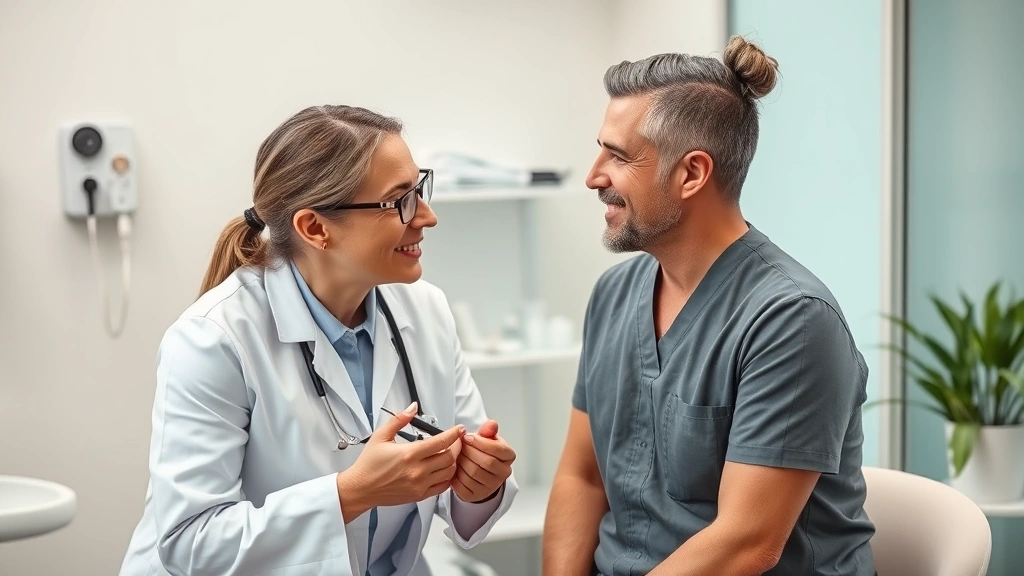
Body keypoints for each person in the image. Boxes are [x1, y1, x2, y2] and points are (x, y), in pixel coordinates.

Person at [118, 105, 518, 576]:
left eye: (419, 189)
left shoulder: (426, 311)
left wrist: (479, 484)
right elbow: (191, 543)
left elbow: (460, 485)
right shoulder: (213, 339)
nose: (427, 217)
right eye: (400, 201)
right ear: (314, 228)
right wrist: (351, 494)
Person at [542, 36, 876, 576]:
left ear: (692, 173)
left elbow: (747, 543)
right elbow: (582, 477)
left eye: (618, 156)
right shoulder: (613, 294)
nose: (593, 175)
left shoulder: (791, 320)